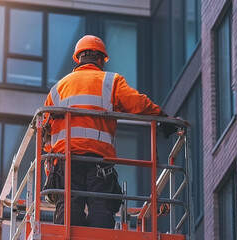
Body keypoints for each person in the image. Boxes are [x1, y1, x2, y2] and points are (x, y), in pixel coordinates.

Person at [42, 35, 170, 229]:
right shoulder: (111, 81)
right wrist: (161, 116)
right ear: (101, 59)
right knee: (100, 206)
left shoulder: (57, 89)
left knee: (68, 208)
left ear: (79, 58)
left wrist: (50, 168)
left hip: (66, 160)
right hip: (99, 160)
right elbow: (136, 103)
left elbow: (46, 131)